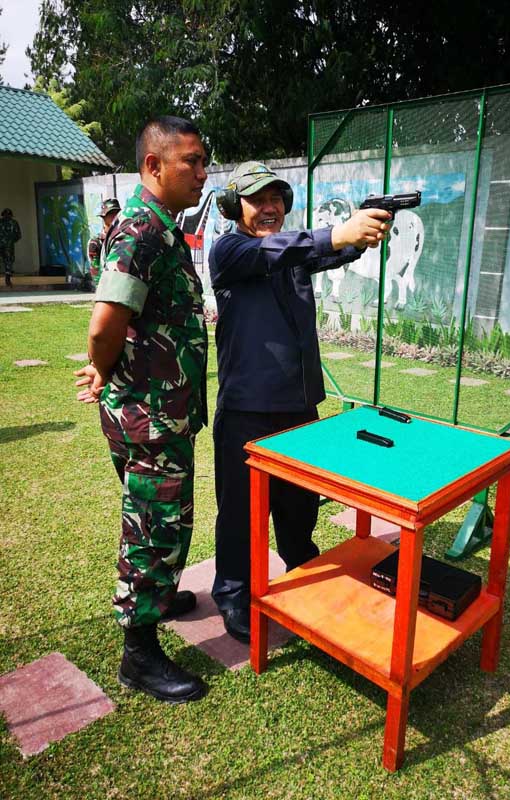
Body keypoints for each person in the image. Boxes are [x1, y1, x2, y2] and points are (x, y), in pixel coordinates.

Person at [209, 161, 391, 642]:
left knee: (298, 502)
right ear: (234, 207)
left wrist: (364, 228)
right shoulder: (230, 249)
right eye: (257, 200)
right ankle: (233, 591)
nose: (269, 208)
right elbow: (283, 249)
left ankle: (299, 564)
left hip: (298, 406)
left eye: (276, 200)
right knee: (240, 510)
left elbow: (331, 251)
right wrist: (338, 232)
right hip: (247, 408)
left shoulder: (292, 253)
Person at [78, 116, 210, 703]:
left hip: (155, 410)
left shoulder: (158, 226)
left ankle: (159, 598)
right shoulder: (141, 230)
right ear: (154, 166)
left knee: (155, 518)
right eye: (192, 161)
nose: (202, 173)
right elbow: (106, 322)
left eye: (204, 161)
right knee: (154, 526)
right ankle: (139, 654)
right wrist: (101, 367)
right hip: (150, 416)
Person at [87, 198, 121, 285]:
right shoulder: (96, 242)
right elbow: (96, 271)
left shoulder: (122, 237)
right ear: (103, 217)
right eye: (110, 214)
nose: (114, 216)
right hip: (106, 286)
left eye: (116, 213)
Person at [0, 208, 22, 287]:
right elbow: (18, 236)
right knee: (8, 263)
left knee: (8, 263)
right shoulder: (14, 222)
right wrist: (11, 241)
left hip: (4, 245)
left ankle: (8, 280)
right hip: (9, 247)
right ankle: (8, 280)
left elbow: (18, 235)